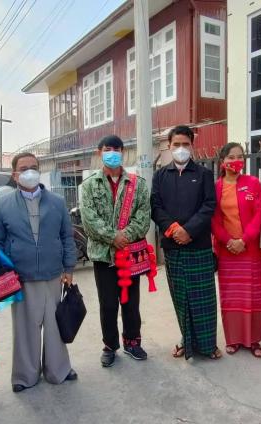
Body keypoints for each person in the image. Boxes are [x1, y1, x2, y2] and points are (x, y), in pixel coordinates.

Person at [0, 152, 78, 392]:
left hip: (53, 274)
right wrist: (3, 271)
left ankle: (58, 370)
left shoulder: (57, 202)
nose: (29, 172)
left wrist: (69, 267)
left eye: (33, 167)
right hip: (21, 276)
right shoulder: (3, 204)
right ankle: (24, 376)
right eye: (23, 168)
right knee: (25, 329)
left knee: (54, 326)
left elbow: (67, 237)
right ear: (14, 175)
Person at [79, 135, 151, 367]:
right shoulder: (89, 185)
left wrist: (125, 236)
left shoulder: (138, 184)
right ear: (99, 152)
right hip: (103, 256)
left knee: (131, 302)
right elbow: (89, 220)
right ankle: (110, 345)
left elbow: (143, 216)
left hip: (129, 253)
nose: (113, 153)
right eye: (108, 149)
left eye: (117, 149)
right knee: (108, 304)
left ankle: (132, 342)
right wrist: (113, 237)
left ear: (123, 152)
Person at [151, 125, 221, 360]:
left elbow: (209, 205)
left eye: (185, 144)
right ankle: (186, 341)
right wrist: (174, 230)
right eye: (176, 144)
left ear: (192, 145)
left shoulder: (203, 174)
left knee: (203, 299)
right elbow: (156, 207)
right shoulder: (160, 175)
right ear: (169, 146)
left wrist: (189, 230)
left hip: (198, 245)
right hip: (173, 247)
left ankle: (208, 345)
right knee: (181, 298)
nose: (181, 148)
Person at [210, 142, 261, 358]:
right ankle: (233, 339)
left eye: (240, 156)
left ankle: (254, 340)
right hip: (227, 252)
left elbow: (260, 215)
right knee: (231, 297)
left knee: (253, 295)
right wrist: (228, 241)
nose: (236, 160)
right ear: (222, 162)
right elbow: (213, 219)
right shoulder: (215, 187)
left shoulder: (253, 183)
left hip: (250, 249)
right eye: (231, 157)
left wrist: (244, 240)